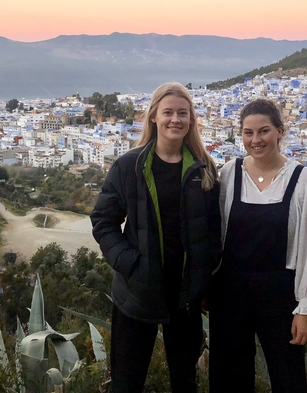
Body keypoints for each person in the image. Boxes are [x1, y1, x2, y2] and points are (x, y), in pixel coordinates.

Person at [91, 82, 221, 393]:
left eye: (182, 113)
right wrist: (131, 265)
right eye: (168, 113)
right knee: (126, 382)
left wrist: (206, 278)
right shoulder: (129, 166)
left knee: (184, 380)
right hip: (138, 292)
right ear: (153, 117)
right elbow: (104, 222)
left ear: (191, 120)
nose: (175, 119)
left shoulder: (203, 170)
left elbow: (214, 231)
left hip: (185, 296)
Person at [209, 98, 307, 392]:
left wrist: (305, 307)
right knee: (228, 377)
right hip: (230, 292)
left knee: (288, 377)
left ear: (280, 131)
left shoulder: (304, 180)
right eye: (248, 133)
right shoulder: (229, 173)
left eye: (263, 131)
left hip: (280, 296)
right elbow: (217, 233)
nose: (255, 140)